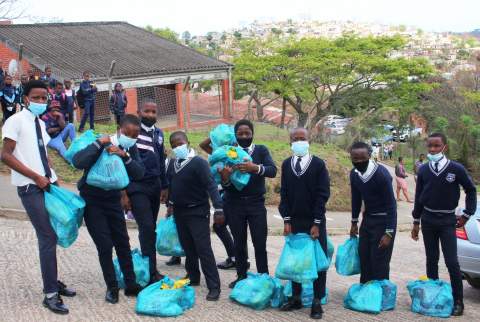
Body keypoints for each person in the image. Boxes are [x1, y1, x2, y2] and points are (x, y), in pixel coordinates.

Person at [1, 80, 76, 314]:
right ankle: (50, 294)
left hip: (46, 183)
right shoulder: (15, 121)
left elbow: (42, 152)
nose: (41, 102)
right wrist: (36, 177)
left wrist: (52, 177)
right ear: (25, 99)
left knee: (54, 232)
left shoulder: (38, 122)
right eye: (36, 98)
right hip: (30, 187)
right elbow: (5, 155)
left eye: (44, 98)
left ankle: (53, 280)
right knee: (47, 236)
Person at [72, 114, 145, 304]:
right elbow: (78, 162)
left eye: (135, 136)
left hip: (113, 201)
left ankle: (131, 284)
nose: (131, 138)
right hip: (93, 201)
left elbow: (139, 173)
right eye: (128, 134)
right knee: (104, 245)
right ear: (119, 129)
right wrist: (98, 144)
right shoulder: (101, 142)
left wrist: (125, 155)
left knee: (123, 242)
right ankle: (112, 288)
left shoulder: (129, 148)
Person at [411, 133, 477, 317]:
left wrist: (467, 214)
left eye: (436, 146)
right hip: (428, 220)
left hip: (448, 221)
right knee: (431, 259)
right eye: (430, 146)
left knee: (452, 262)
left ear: (444, 147)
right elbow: (418, 197)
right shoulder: (423, 170)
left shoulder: (456, 169)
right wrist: (416, 221)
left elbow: (471, 190)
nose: (432, 150)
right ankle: (433, 297)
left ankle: (458, 302)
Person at [279, 127, 330, 320]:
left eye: (302, 138)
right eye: (295, 139)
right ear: (290, 142)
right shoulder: (286, 164)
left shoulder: (318, 164)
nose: (299, 141)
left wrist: (317, 222)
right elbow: (283, 193)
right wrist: (286, 220)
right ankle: (296, 297)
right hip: (294, 221)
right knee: (295, 261)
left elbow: (322, 194)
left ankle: (317, 300)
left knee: (317, 262)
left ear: (309, 141)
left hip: (314, 222)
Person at [166, 131, 223, 301]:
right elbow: (172, 185)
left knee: (203, 249)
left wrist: (219, 208)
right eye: (174, 145)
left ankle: (214, 286)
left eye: (180, 143)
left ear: (188, 142)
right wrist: (170, 204)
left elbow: (211, 185)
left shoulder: (199, 163)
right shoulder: (173, 163)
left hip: (197, 211)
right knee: (188, 247)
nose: (178, 147)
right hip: (180, 211)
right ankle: (193, 276)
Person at [220, 120, 277, 287]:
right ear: (235, 135)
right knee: (239, 242)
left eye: (247, 133)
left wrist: (255, 168)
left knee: (259, 242)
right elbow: (225, 183)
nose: (244, 136)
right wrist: (225, 178)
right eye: (240, 134)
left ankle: (263, 277)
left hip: (256, 204)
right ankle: (241, 275)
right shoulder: (230, 152)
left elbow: (272, 170)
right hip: (234, 204)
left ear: (252, 134)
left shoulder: (261, 150)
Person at [123, 100, 168, 284]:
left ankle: (151, 269)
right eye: (146, 111)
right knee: (147, 228)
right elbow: (123, 165)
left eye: (153, 112)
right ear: (139, 112)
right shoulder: (132, 132)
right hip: (137, 187)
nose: (150, 115)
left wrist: (165, 186)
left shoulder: (159, 133)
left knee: (151, 230)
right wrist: (124, 193)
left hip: (155, 186)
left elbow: (161, 159)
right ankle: (149, 272)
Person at [349, 142, 397, 284]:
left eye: (362, 158)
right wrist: (354, 222)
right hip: (367, 220)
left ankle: (381, 296)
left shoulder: (381, 174)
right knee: (365, 258)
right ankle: (365, 294)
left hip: (383, 222)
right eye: (354, 159)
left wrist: (388, 233)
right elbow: (356, 199)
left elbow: (391, 205)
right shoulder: (354, 174)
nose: (358, 162)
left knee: (379, 261)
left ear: (369, 156)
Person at [198, 135, 247, 271]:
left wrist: (231, 139)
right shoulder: (219, 154)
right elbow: (202, 144)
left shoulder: (235, 154)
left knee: (229, 227)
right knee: (221, 226)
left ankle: (238, 258)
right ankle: (236, 257)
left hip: (231, 195)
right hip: (221, 195)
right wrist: (216, 133)